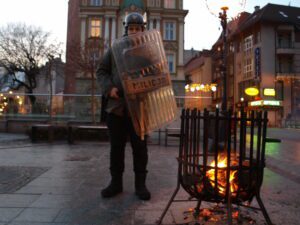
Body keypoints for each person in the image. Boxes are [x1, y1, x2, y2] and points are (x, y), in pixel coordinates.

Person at [96, 12, 151, 201]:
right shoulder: (115, 49)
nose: (134, 31)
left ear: (142, 30)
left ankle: (140, 185)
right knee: (116, 148)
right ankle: (116, 183)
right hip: (117, 108)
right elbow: (101, 71)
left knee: (140, 148)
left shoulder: (148, 51)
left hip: (139, 108)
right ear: (127, 30)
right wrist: (109, 89)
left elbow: (156, 75)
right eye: (132, 28)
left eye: (138, 28)